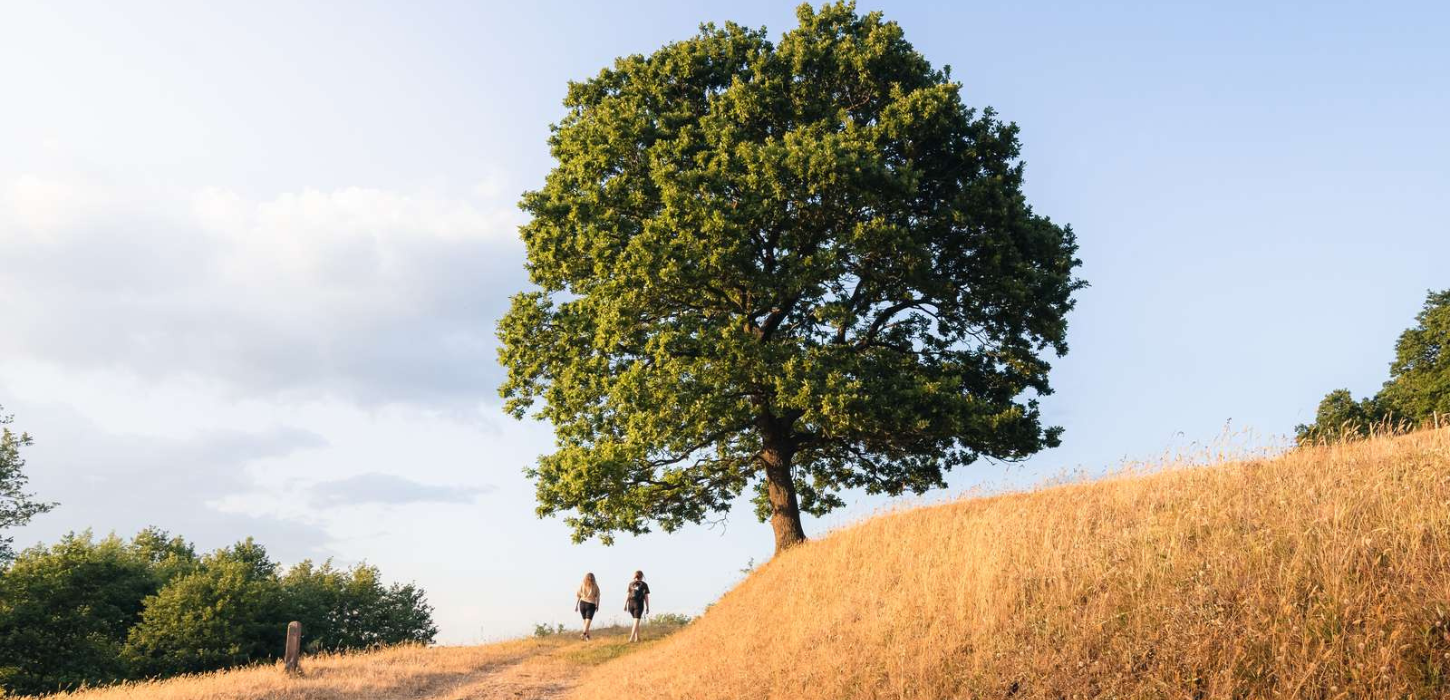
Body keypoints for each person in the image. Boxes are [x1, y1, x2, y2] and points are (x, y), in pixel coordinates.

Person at [624, 570, 650, 642]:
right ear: (642, 576)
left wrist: (625, 604)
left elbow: (628, 595)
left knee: (636, 621)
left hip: (630, 604)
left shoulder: (631, 584)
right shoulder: (644, 584)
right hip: (638, 603)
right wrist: (647, 607)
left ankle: (637, 638)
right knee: (636, 621)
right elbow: (646, 597)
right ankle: (631, 638)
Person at [575, 572, 600, 640]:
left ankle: (588, 638)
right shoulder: (595, 586)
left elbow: (578, 595)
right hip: (591, 604)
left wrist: (576, 605)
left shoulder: (582, 585)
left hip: (582, 604)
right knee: (587, 624)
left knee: (585, 623)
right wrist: (597, 605)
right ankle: (583, 634)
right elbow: (598, 597)